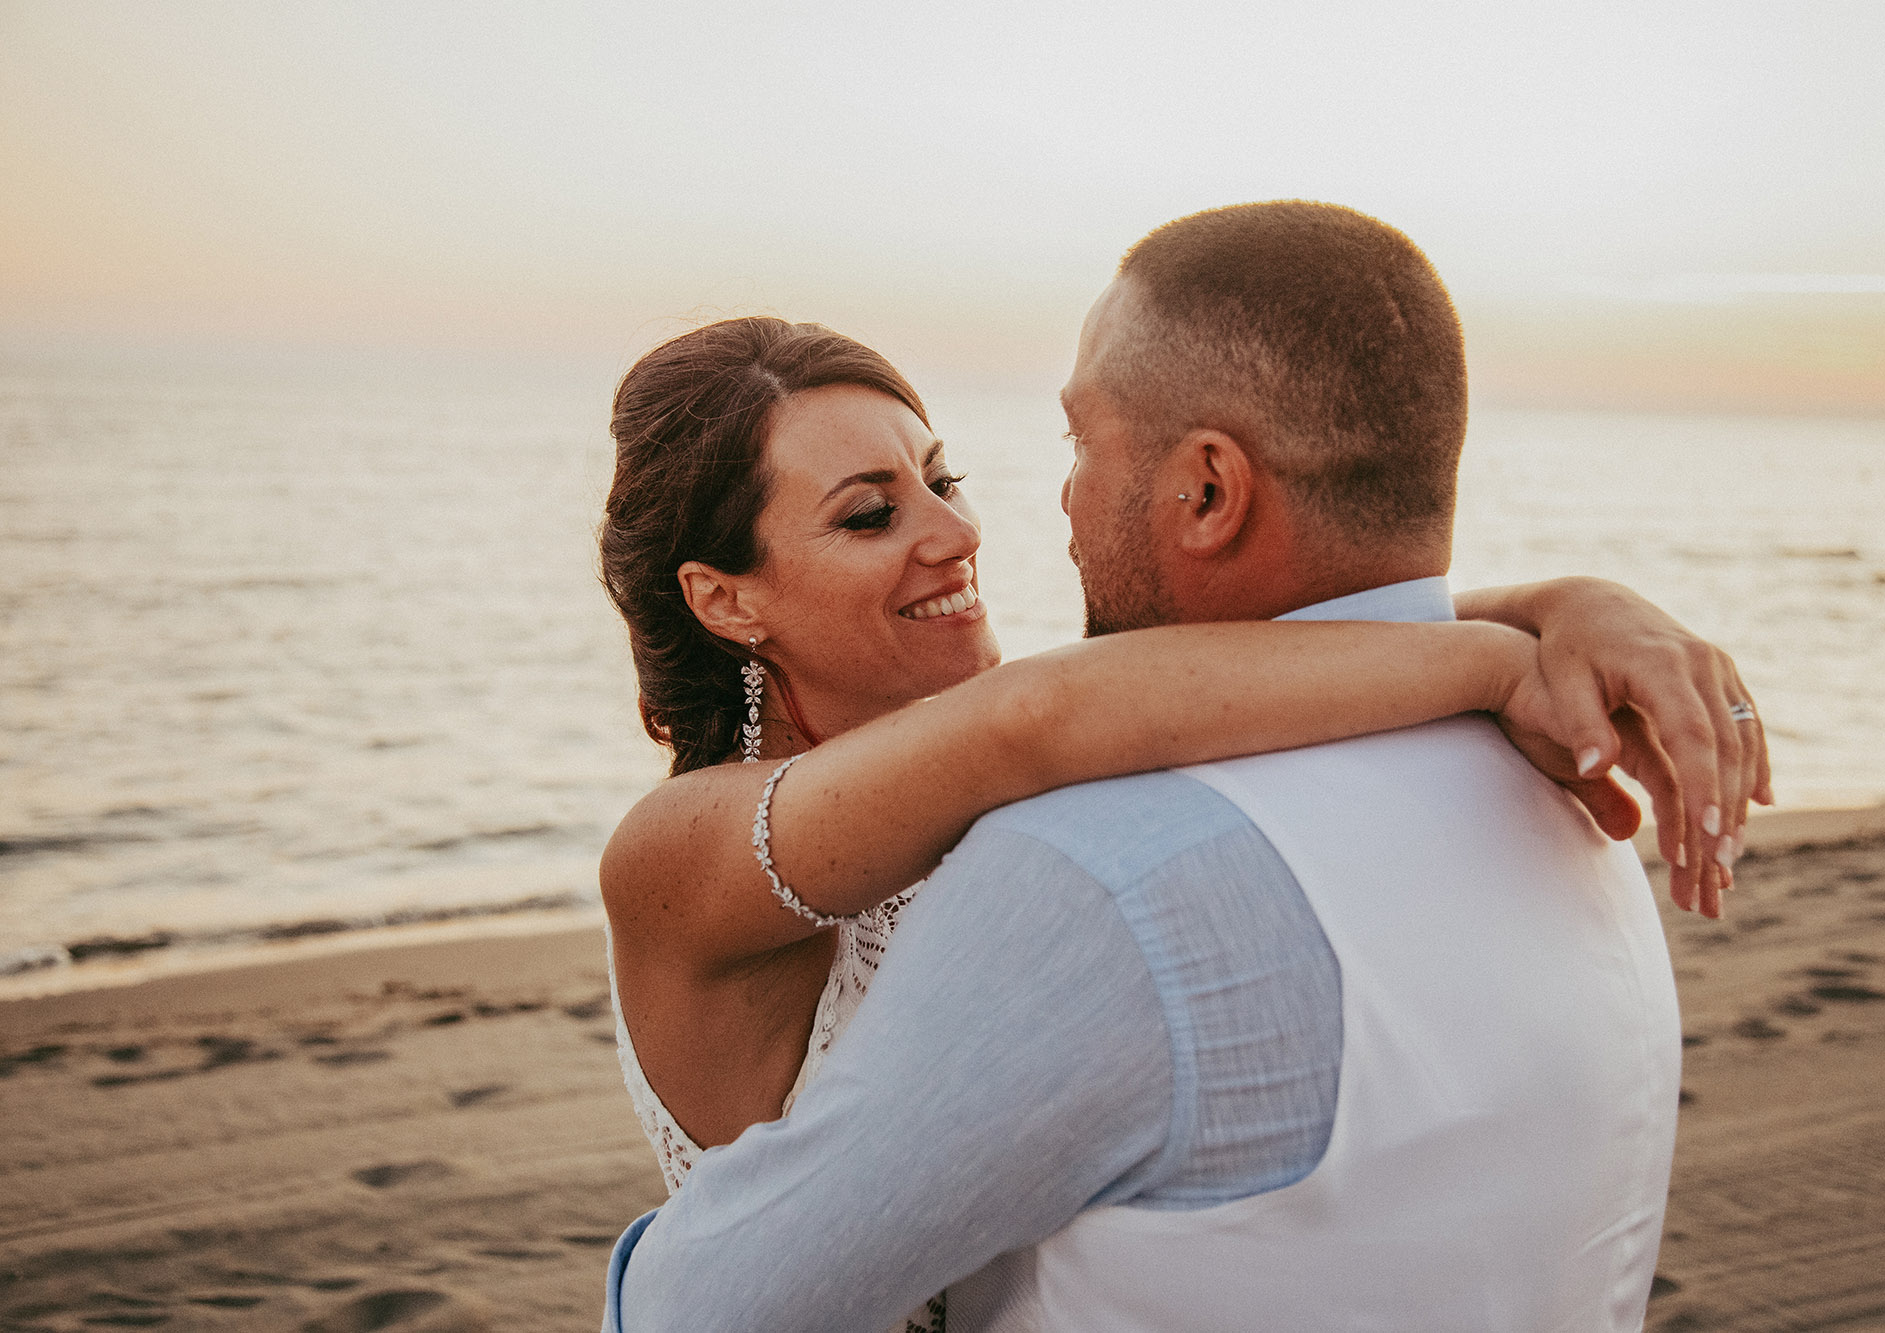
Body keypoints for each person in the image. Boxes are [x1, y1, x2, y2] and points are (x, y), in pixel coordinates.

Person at [603, 201, 1762, 1330]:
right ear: (724, 599)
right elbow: (1047, 713)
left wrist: (1561, 607)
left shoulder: (1011, 762)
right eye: (869, 515)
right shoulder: (678, 851)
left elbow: (1180, 677)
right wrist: (1499, 663)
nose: (955, 533)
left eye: (939, 481)